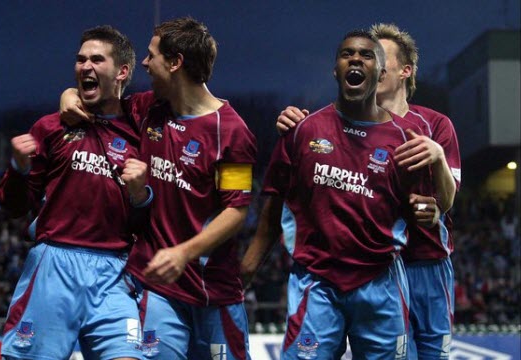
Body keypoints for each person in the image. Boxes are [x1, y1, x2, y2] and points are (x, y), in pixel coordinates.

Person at [60, 17, 257, 360]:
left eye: (152, 56)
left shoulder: (232, 132)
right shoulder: (148, 108)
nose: (146, 64)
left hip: (215, 293)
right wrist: (69, 95)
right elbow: (102, 99)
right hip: (157, 290)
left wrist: (183, 252)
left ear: (175, 62)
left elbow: (236, 211)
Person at [276, 23, 462, 359]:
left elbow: (444, 204)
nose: (369, 63)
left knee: (434, 354)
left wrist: (437, 160)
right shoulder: (347, 121)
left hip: (426, 263)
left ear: (403, 70)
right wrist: (294, 123)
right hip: (376, 268)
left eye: (380, 57)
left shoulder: (433, 126)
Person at [241, 30, 425, 359]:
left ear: (381, 74)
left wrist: (431, 209)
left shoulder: (404, 142)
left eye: (366, 55)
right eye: (346, 54)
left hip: (381, 285)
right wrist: (246, 272)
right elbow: (272, 212)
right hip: (317, 284)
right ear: (336, 70)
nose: (355, 59)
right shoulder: (301, 131)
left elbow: (423, 210)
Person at [0, 25, 151, 360]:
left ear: (122, 71)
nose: (85, 66)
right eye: (80, 60)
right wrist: (19, 168)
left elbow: (146, 218)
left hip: (115, 273)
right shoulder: (50, 127)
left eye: (97, 59)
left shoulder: (142, 133)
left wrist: (141, 195)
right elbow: (13, 206)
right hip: (55, 265)